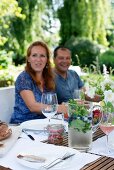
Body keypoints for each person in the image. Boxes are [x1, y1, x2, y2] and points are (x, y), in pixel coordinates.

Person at [10, 41, 67, 124]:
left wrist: (65, 106)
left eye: (42, 56)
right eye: (34, 55)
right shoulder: (24, 78)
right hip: (22, 125)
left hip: (44, 124)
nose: (38, 59)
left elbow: (50, 105)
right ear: (29, 59)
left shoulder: (49, 79)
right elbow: (33, 106)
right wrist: (60, 108)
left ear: (47, 59)